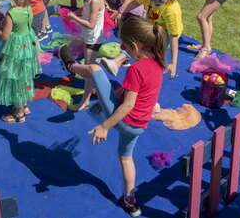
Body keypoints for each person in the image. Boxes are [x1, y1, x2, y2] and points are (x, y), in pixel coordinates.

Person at [58, 17, 167, 217]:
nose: (121, 47)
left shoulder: (136, 69)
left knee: (95, 69)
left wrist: (105, 126)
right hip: (139, 126)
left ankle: (71, 66)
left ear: (134, 46)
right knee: (126, 158)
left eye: (124, 45)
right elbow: (134, 94)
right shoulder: (158, 65)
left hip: (125, 120)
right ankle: (130, 201)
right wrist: (111, 98)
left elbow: (127, 105)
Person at [104, 0, 183, 80]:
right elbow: (135, 2)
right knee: (136, 40)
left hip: (166, 34)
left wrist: (174, 63)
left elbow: (174, 37)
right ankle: (118, 63)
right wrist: (121, 11)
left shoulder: (171, 9)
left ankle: (152, 68)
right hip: (151, 26)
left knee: (147, 48)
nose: (155, 1)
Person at [0, 0, 42, 123]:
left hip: (16, 49)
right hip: (28, 45)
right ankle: (24, 105)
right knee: (24, 75)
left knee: (15, 78)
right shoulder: (27, 8)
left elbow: (5, 36)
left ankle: (19, 115)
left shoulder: (11, 14)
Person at [65, 0, 105, 111]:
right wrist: (80, 11)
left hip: (93, 39)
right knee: (90, 68)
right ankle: (91, 93)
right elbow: (88, 11)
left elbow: (91, 24)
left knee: (89, 71)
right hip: (88, 37)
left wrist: (74, 18)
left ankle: (85, 101)